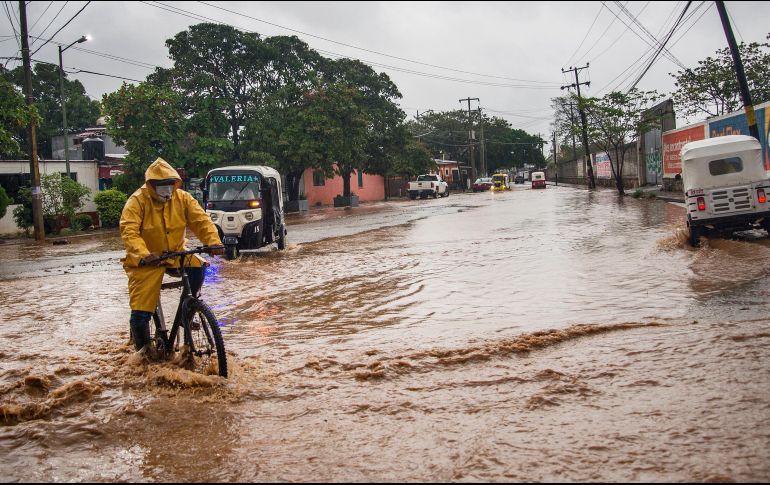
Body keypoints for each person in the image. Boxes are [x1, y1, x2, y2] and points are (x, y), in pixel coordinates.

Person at [119, 158, 224, 352]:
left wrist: (213, 242)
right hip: (146, 260)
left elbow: (201, 221)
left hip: (176, 253)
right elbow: (129, 231)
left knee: (199, 267)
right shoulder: (137, 201)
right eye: (161, 185)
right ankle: (143, 354)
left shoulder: (182, 198)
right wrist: (143, 253)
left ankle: (188, 312)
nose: (166, 190)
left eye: (169, 184)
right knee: (141, 312)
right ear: (151, 185)